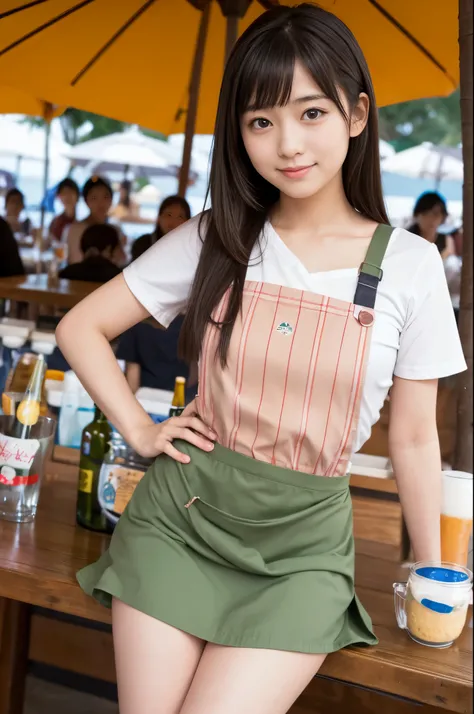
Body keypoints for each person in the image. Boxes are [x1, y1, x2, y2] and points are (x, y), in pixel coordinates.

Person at [56, 5, 466, 713]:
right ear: (239, 133)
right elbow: (82, 327)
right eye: (261, 121)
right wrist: (141, 431)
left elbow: (415, 435)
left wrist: (431, 567)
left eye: (311, 113)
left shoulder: (411, 266)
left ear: (357, 115)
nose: (287, 144)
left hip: (303, 554)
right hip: (179, 521)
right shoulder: (218, 237)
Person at [65, 176, 126, 265]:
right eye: (94, 198)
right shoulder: (76, 229)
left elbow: (121, 262)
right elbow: (75, 262)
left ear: (111, 200)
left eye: (105, 197)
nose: (100, 202)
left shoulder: (116, 230)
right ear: (86, 201)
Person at [131, 194, 191, 260]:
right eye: (169, 215)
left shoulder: (191, 250)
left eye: (180, 216)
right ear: (159, 218)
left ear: (188, 222)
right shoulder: (142, 244)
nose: (173, 221)